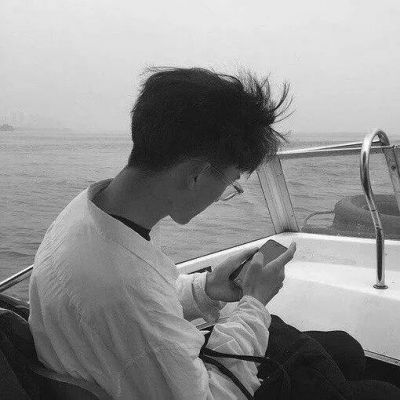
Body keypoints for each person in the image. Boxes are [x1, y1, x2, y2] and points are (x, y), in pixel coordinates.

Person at [28, 67, 400, 399]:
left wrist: (207, 287)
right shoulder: (121, 288)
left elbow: (145, 304)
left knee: (344, 349)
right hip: (203, 384)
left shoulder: (86, 215)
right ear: (196, 175)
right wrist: (255, 301)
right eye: (230, 182)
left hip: (142, 367)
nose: (223, 195)